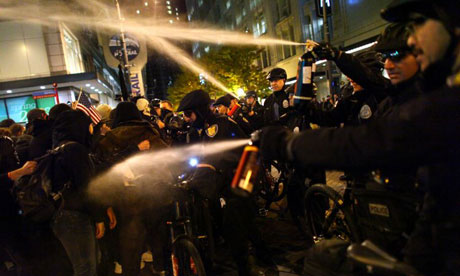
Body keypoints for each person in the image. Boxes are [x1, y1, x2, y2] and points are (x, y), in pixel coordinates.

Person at [259, 0, 460, 274]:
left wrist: (288, 144)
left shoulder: (441, 103)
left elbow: (374, 140)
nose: (414, 36)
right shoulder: (419, 93)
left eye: (420, 22)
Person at [177, 90, 272, 276]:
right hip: (231, 173)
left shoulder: (218, 127)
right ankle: (264, 256)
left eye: (188, 114)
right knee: (244, 220)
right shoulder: (204, 129)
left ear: (200, 111)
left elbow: (213, 159)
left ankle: (246, 269)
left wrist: (194, 180)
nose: (186, 118)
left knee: (233, 225)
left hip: (247, 171)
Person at [50, 110, 105, 276]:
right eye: (89, 124)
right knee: (85, 267)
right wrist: (99, 218)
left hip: (62, 214)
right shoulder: (75, 150)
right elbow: (88, 187)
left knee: (85, 263)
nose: (91, 129)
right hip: (74, 216)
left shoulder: (60, 147)